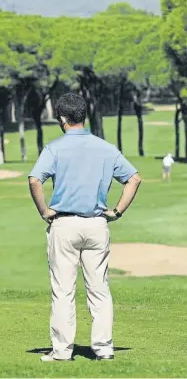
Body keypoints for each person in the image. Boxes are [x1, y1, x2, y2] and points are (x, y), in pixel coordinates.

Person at [27, 93, 142, 362]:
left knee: (63, 290)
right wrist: (117, 212)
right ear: (84, 116)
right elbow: (134, 179)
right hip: (97, 224)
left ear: (62, 119)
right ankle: (103, 349)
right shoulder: (105, 147)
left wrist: (44, 211)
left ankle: (62, 351)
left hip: (64, 224)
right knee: (99, 288)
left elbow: (34, 180)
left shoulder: (54, 149)